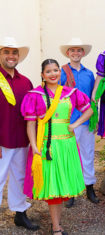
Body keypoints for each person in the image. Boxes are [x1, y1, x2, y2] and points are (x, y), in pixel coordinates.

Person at [21, 59, 93, 235]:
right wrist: (33, 145)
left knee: (61, 188)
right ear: (42, 75)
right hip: (47, 146)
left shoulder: (71, 93)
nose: (53, 74)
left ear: (60, 73)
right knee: (53, 188)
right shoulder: (34, 95)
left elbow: (89, 110)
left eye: (56, 70)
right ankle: (55, 228)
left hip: (67, 145)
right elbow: (30, 124)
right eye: (49, 71)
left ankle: (57, 225)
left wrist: (75, 125)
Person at [0, 36, 39, 231]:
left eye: (14, 52)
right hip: (2, 141)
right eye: (6, 52)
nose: (11, 56)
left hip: (21, 140)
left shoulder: (26, 82)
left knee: (20, 177)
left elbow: (32, 113)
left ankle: (20, 214)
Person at [59, 38, 98, 208]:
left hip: (86, 120)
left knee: (88, 154)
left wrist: (95, 119)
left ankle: (89, 187)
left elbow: (93, 99)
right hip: (69, 121)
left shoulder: (89, 74)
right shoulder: (61, 72)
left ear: (83, 53)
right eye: (72, 50)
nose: (76, 53)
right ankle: (70, 191)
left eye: (79, 50)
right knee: (70, 156)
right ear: (68, 53)